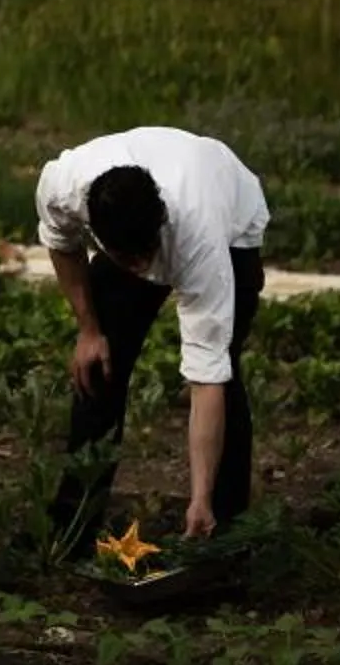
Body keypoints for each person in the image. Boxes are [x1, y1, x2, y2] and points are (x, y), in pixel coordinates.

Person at [37, 124, 270, 550]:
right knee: (98, 367)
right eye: (130, 260)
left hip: (232, 222)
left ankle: (221, 530)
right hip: (140, 218)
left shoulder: (201, 242)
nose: (144, 268)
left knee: (224, 371)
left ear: (161, 222)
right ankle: (71, 528)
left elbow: (207, 378)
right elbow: (61, 244)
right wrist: (89, 329)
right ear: (100, 234)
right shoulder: (63, 186)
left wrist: (196, 497)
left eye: (149, 255)